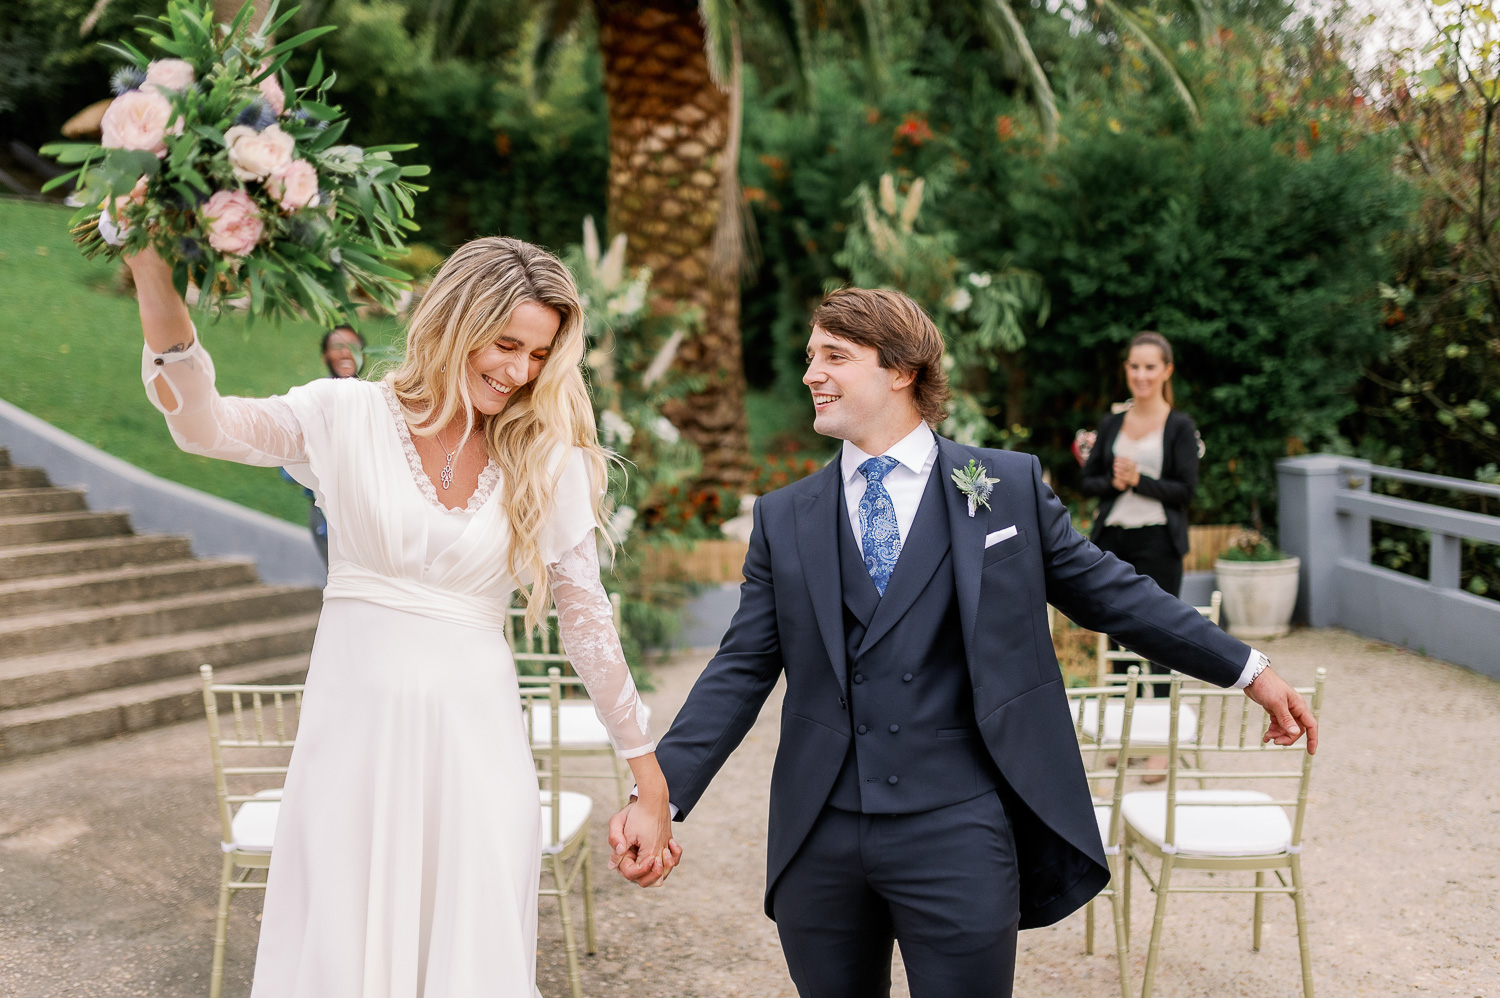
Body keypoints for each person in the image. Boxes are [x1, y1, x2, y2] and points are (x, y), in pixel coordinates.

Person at [608, 288, 1317, 997]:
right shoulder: (784, 516)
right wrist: (659, 797)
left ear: (900, 370)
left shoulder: (1003, 487)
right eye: (809, 358)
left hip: (959, 829)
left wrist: (1248, 670)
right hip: (820, 835)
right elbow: (740, 668)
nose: (810, 375)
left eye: (834, 357)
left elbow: (1114, 594)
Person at [125, 236, 678, 997]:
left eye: (539, 354)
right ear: (453, 321)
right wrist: (153, 271)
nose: (518, 371)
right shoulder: (342, 414)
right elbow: (202, 425)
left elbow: (587, 623)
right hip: (348, 754)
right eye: (505, 343)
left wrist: (650, 785)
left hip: (477, 763)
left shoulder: (548, 458)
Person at [1081, 331, 1199, 716]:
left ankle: (1161, 743)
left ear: (1167, 371)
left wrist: (1138, 481)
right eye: (1134, 366)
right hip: (1112, 539)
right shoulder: (1112, 423)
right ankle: (1121, 733)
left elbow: (1185, 491)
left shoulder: (1179, 426)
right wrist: (1114, 483)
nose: (1141, 374)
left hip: (1159, 542)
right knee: (1116, 636)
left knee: (1161, 637)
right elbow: (1088, 483)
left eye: (1150, 367)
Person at [283, 325, 369, 563]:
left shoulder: (378, 401)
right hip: (325, 514)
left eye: (352, 346)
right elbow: (287, 469)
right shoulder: (312, 402)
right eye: (336, 347)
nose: (345, 353)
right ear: (325, 356)